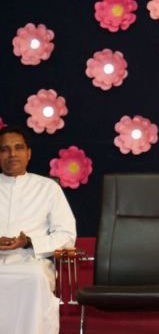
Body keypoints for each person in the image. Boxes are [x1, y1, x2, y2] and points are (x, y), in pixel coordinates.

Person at [0, 125, 77, 334]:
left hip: (31, 260)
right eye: (5, 149)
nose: (12, 154)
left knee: (33, 276)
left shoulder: (48, 188)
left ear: (29, 153)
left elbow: (67, 236)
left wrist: (29, 242)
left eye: (18, 147)